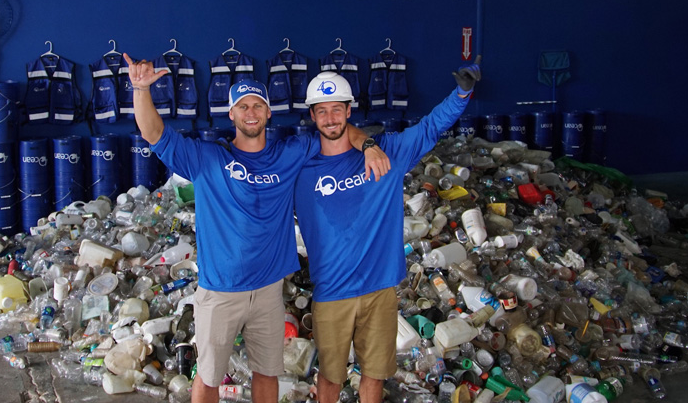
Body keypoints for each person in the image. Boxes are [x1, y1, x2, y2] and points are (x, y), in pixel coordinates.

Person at [123, 53, 390, 403]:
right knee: (208, 377)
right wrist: (140, 89)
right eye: (243, 106)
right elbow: (153, 132)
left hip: (268, 292)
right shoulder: (207, 158)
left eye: (257, 105)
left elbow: (336, 129)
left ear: (268, 113)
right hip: (220, 291)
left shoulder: (290, 152)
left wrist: (369, 146)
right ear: (231, 113)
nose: (251, 112)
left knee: (268, 374)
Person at [293, 56, 482, 403]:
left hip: (379, 290)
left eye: (337, 109)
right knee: (330, 382)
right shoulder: (300, 167)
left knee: (374, 377)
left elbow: (430, 127)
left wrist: (461, 93)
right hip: (331, 294)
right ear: (312, 116)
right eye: (322, 111)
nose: (330, 118)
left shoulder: (388, 154)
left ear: (349, 111)